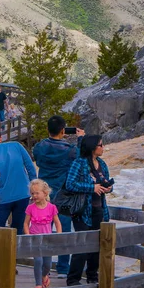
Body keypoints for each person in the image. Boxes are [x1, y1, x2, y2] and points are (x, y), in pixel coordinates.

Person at [33, 115, 84, 279]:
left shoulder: (39, 147)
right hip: (63, 195)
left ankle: (41, 266)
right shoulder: (70, 150)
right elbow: (82, 159)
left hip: (43, 193)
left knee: (41, 230)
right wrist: (81, 139)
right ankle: (63, 267)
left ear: (48, 129)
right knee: (64, 230)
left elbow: (37, 158)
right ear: (63, 130)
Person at [65, 135, 112, 287]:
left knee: (96, 245)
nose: (103, 147)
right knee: (82, 245)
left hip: (99, 209)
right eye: (100, 145)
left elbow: (104, 183)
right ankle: (73, 279)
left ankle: (92, 276)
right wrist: (91, 188)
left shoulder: (102, 164)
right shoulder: (79, 163)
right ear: (93, 147)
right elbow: (70, 184)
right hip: (82, 211)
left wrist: (108, 187)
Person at [24, 179, 62, 288]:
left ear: (45, 193)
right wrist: (28, 235)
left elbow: (57, 222)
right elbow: (26, 223)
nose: (34, 196)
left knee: (47, 264)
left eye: (37, 193)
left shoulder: (51, 207)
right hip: (35, 238)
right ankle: (38, 283)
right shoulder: (30, 208)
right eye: (32, 193)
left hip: (48, 239)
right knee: (38, 260)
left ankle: (45, 275)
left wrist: (58, 235)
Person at [0, 140, 37, 233]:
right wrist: (34, 187)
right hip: (22, 193)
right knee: (19, 228)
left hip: (2, 197)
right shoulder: (17, 145)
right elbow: (30, 166)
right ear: (0, 137)